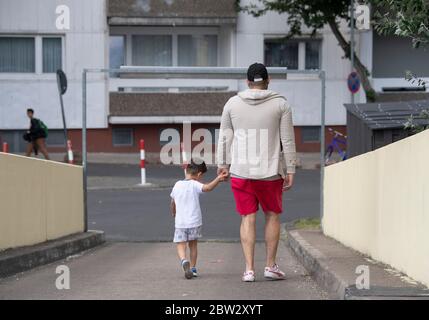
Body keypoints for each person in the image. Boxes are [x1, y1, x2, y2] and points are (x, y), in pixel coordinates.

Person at [217, 63, 297, 282]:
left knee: (247, 217)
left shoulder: (232, 103)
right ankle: (270, 266)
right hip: (270, 172)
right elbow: (287, 140)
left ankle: (249, 270)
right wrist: (291, 167)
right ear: (268, 80)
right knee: (272, 215)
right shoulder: (281, 104)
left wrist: (223, 164)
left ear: (247, 82)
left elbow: (225, 136)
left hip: (241, 171)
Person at [170, 159, 228, 279]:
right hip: (194, 222)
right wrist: (218, 179)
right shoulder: (195, 184)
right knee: (193, 245)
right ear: (199, 174)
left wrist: (174, 212)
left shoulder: (177, 185)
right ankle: (193, 268)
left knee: (181, 245)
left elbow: (173, 202)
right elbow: (207, 188)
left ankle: (183, 260)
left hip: (180, 223)